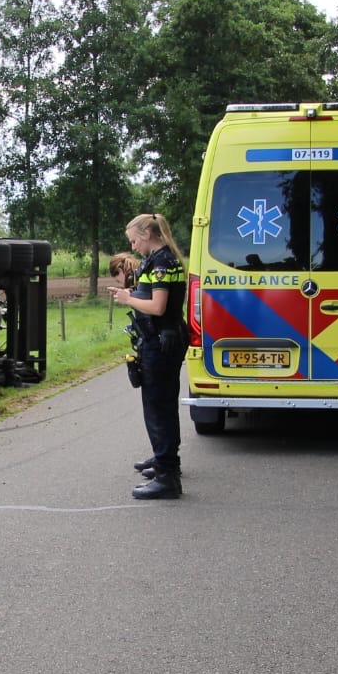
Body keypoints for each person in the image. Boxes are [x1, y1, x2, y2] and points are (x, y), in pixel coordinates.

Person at [110, 214, 188, 500]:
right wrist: (134, 292)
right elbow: (154, 296)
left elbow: (157, 306)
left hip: (161, 343)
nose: (132, 246)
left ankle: (168, 475)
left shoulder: (161, 263)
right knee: (162, 405)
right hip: (160, 341)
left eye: (133, 240)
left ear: (146, 234)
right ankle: (163, 460)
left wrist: (127, 299)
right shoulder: (159, 260)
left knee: (159, 408)